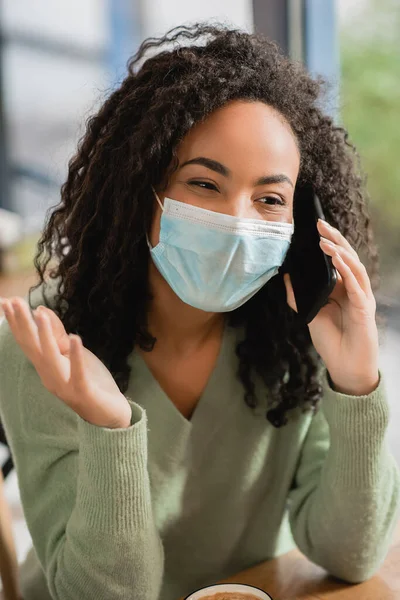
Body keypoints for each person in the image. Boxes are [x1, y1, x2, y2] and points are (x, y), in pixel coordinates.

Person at [0, 23, 399, 600]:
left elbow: (351, 553)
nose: (238, 223)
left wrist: (357, 381)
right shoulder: (45, 343)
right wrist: (110, 427)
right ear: (143, 188)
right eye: (204, 183)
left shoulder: (294, 333)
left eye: (269, 199)